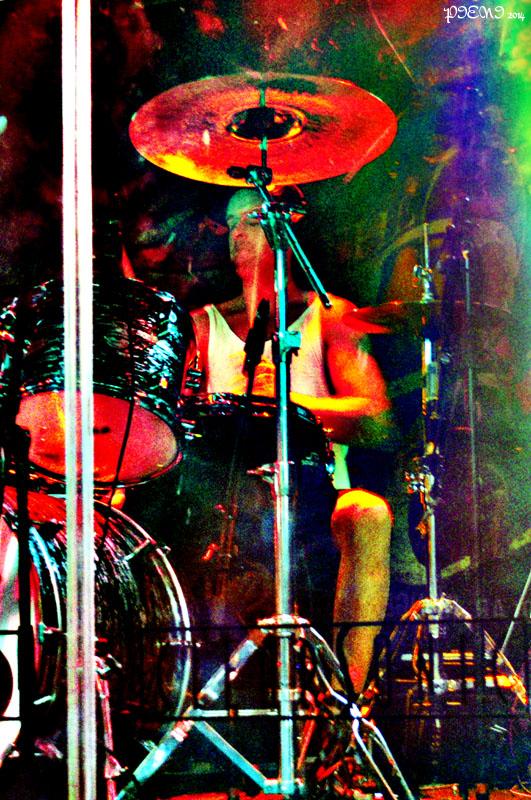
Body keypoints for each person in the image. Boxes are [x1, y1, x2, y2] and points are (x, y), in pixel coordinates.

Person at [190, 188, 394, 695]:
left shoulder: (328, 315)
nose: (237, 233)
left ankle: (345, 705)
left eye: (251, 218)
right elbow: (177, 425)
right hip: (226, 502)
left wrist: (288, 405)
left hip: (315, 493)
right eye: (231, 222)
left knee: (368, 515)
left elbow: (376, 419)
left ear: (286, 227)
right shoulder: (202, 325)